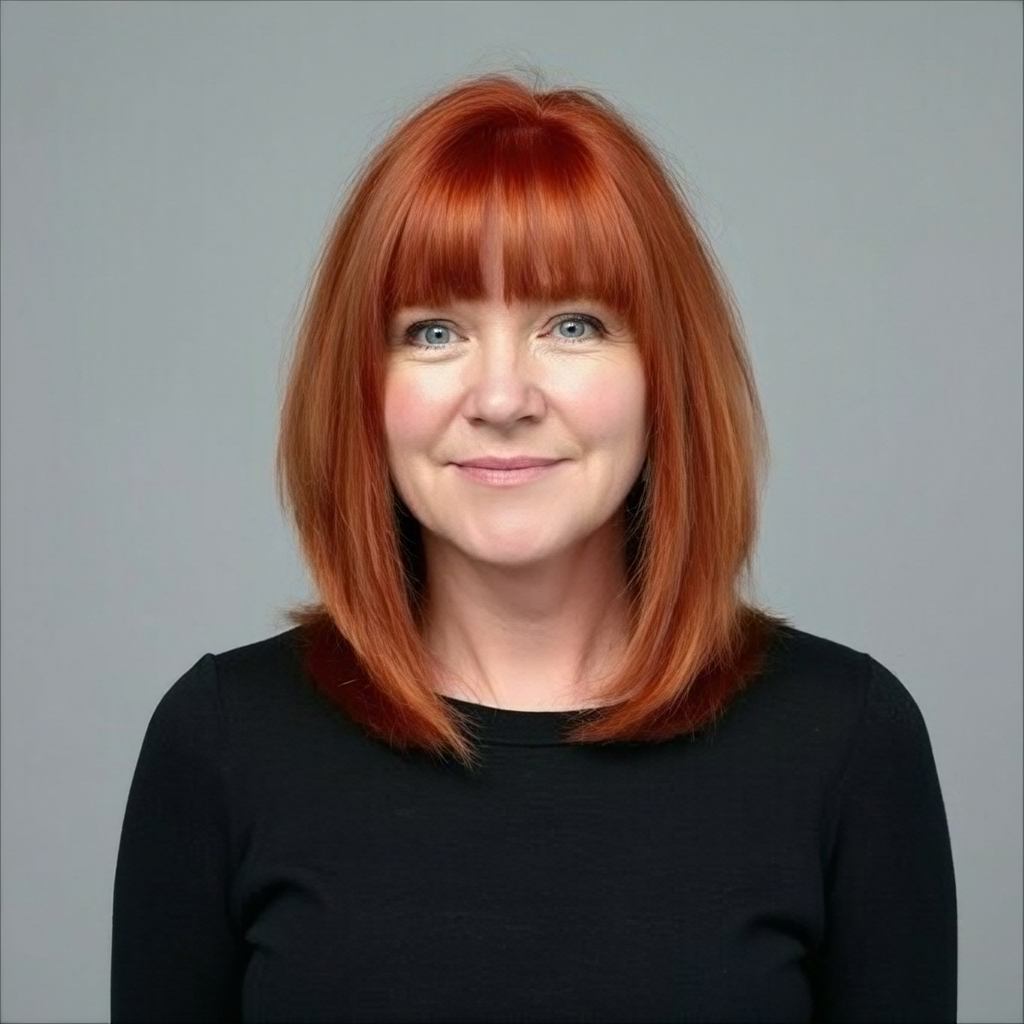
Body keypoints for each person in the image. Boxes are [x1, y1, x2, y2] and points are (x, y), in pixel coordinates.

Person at [110, 70, 957, 1023]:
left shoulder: (846, 742)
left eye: (573, 324)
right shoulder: (222, 743)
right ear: (361, 388)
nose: (504, 397)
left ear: (663, 372)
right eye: (433, 330)